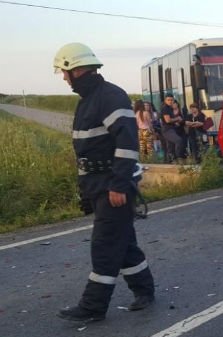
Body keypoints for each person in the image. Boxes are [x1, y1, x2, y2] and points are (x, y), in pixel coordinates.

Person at [52, 42, 155, 322]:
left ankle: (93, 306)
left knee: (105, 244)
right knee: (124, 243)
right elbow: (87, 153)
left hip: (114, 184)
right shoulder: (88, 100)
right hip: (99, 184)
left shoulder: (110, 96)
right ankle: (145, 290)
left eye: (64, 72)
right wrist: (86, 193)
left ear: (77, 70)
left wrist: (118, 185)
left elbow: (127, 144)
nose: (64, 78)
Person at [160, 94, 183, 163]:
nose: (170, 101)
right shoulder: (165, 108)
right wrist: (177, 118)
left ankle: (170, 161)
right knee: (178, 140)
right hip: (167, 130)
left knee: (170, 146)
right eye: (168, 100)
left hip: (171, 129)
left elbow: (169, 120)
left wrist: (175, 122)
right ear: (165, 101)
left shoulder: (170, 108)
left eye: (171, 100)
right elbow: (167, 120)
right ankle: (178, 158)